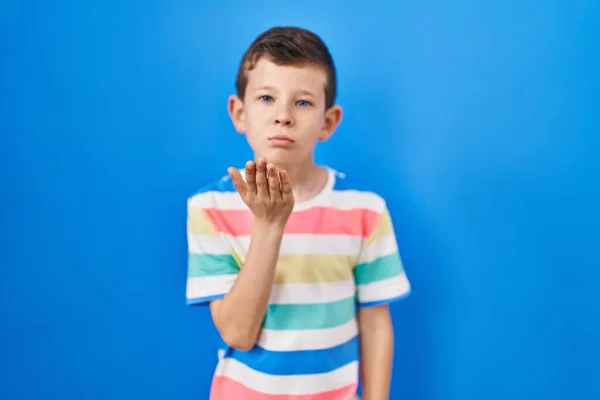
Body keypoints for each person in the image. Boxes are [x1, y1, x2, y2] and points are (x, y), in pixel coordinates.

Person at [186, 26, 411, 400]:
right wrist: (270, 223)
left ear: (328, 121)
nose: (283, 116)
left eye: (303, 102)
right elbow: (238, 334)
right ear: (239, 113)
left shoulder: (365, 211)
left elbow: (375, 324)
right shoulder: (210, 208)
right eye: (266, 98)